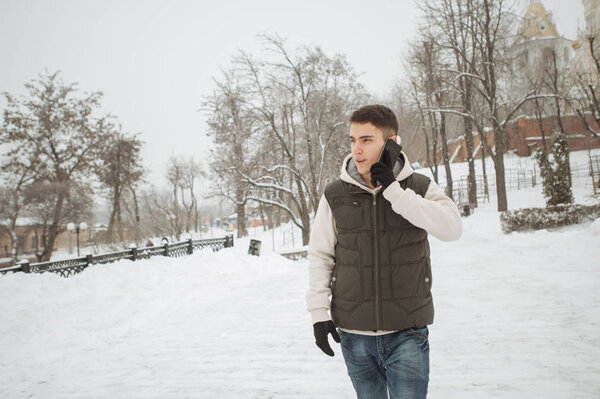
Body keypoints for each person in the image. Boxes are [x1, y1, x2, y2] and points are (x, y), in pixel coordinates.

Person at [306, 104, 462, 398]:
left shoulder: (419, 186)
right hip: (354, 335)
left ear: (390, 143)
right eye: (353, 140)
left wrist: (394, 191)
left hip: (408, 332)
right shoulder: (335, 194)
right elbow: (320, 255)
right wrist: (318, 313)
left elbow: (452, 228)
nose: (357, 150)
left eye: (366, 140)